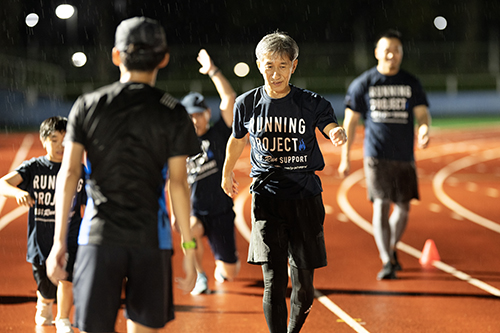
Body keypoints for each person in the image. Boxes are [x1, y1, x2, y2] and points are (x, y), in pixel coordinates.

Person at [46, 17, 201, 333]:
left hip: (98, 237)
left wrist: (58, 241)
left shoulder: (88, 105)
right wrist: (189, 248)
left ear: (116, 56)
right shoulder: (172, 111)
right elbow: (179, 185)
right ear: (164, 58)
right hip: (150, 239)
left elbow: (69, 173)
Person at [221, 31, 347, 333]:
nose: (275, 73)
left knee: (303, 289)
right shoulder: (247, 103)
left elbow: (329, 124)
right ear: (258, 64)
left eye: (282, 65)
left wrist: (335, 132)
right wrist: (227, 173)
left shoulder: (310, 103)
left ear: (294, 66)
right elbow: (236, 141)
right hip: (266, 199)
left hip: (305, 198)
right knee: (273, 282)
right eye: (268, 66)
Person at [338, 29, 431, 280]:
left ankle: (390, 246)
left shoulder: (411, 82)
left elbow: (422, 114)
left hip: (404, 155)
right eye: (387, 50)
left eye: (397, 50)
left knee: (403, 209)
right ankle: (387, 260)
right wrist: (345, 157)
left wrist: (424, 130)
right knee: (381, 203)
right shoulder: (363, 84)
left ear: (401, 53)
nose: (392, 54)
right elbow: (350, 122)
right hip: (376, 155)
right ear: (377, 52)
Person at [0, 116, 86, 333]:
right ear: (44, 140)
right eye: (55, 140)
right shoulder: (34, 167)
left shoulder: (77, 169)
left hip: (70, 234)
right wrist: (19, 193)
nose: (60, 146)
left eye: (65, 140)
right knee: (46, 286)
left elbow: (93, 198)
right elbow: (3, 183)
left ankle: (63, 318)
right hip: (41, 238)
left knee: (67, 278)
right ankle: (45, 301)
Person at [177, 49, 240, 295]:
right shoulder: (180, 145)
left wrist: (213, 71)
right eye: (189, 116)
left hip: (221, 210)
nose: (194, 121)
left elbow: (229, 98)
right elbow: (176, 180)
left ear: (207, 114)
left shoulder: (219, 133)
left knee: (231, 272)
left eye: (198, 115)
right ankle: (200, 276)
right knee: (188, 233)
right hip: (196, 211)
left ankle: (221, 266)